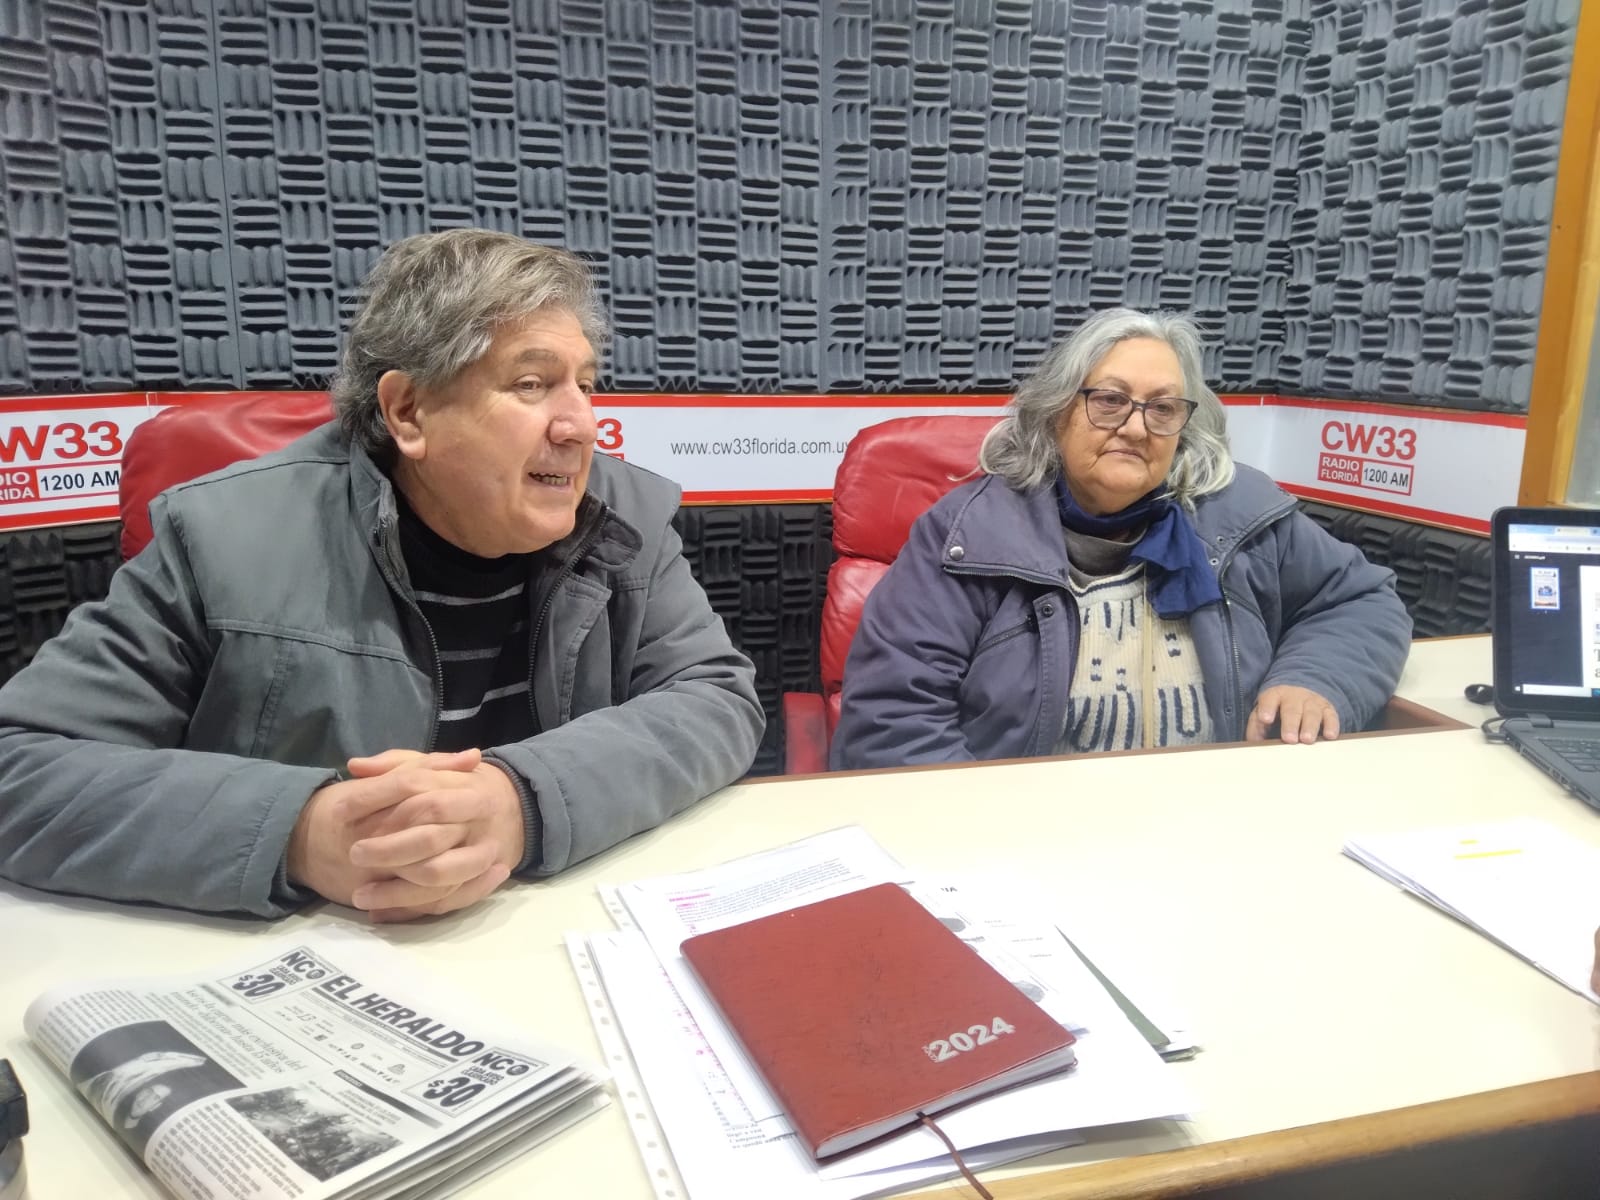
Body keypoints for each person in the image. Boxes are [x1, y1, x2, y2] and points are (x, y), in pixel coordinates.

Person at [0, 229, 764, 919]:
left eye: (586, 384)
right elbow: (21, 773)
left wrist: (519, 799)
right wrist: (301, 832)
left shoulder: (623, 519)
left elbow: (716, 699)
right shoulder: (221, 537)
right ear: (408, 413)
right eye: (532, 385)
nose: (580, 424)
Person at [831, 308, 1412, 769]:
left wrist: (1314, 679)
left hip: (1216, 824)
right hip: (1029, 842)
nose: (1136, 427)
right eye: (1109, 400)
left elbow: (1358, 600)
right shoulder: (969, 534)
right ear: (1057, 410)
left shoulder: (1243, 515)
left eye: (1163, 408)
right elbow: (893, 715)